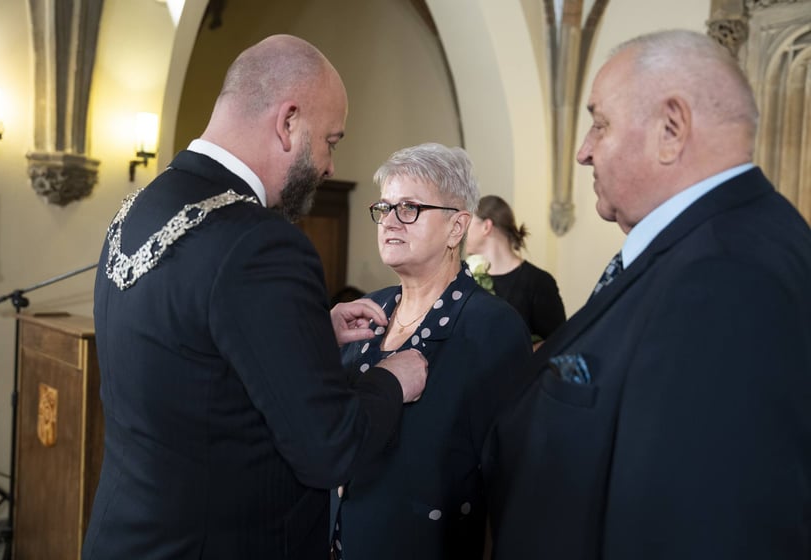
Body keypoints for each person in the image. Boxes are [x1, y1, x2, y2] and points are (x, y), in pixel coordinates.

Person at [83, 34, 428, 559]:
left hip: (128, 536)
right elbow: (328, 448)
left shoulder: (139, 207)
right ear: (288, 122)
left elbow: (190, 355)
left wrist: (308, 330)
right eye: (331, 141)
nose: (331, 166)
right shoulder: (260, 242)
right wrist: (391, 380)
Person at [484, 29, 811, 560]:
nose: (584, 151)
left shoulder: (728, 278)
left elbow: (698, 529)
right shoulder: (706, 247)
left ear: (671, 129)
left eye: (600, 123)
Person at [330, 143, 536, 559]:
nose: (390, 221)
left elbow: (513, 478)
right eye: (384, 208)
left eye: (409, 208)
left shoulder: (491, 327)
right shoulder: (364, 311)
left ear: (457, 227)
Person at [466, 194, 566, 345]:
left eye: (468, 223)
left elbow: (558, 343)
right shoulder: (465, 278)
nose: (461, 232)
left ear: (486, 227)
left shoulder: (538, 282)